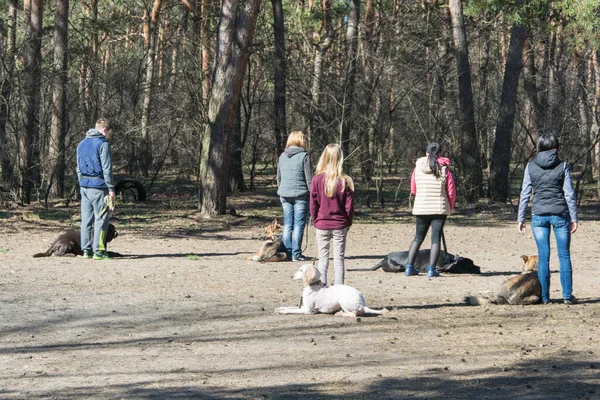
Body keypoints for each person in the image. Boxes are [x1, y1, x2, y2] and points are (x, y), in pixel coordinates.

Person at [518, 133, 578, 305]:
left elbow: (525, 193)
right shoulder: (563, 165)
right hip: (560, 214)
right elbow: (569, 194)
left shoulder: (530, 166)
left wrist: (520, 218)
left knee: (543, 257)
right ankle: (567, 295)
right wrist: (574, 217)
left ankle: (545, 297)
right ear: (556, 147)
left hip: (539, 215)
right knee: (564, 255)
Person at [405, 142, 456, 278]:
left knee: (418, 238)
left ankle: (409, 267)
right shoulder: (445, 169)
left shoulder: (418, 168)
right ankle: (431, 269)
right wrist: (450, 207)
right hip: (439, 208)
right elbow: (451, 191)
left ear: (426, 153)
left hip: (421, 207)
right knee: (435, 240)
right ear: (440, 153)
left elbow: (413, 189)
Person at [310, 143, 355, 286]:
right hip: (340, 224)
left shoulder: (317, 179)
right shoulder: (345, 181)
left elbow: (313, 205)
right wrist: (348, 222)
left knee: (323, 259)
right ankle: (339, 290)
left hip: (322, 224)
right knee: (339, 259)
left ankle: (322, 289)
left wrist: (315, 221)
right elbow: (349, 207)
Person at [77, 118, 116, 260]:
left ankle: (86, 250)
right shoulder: (103, 144)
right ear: (105, 130)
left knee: (86, 220)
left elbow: (78, 168)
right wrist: (111, 189)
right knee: (101, 219)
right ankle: (99, 250)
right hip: (99, 187)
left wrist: (82, 182)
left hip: (85, 186)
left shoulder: (81, 144)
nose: (108, 137)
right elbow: (107, 168)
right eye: (109, 134)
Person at [277, 131, 313, 261]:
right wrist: (313, 194)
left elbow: (278, 177)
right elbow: (309, 179)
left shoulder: (282, 156)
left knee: (288, 224)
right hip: (300, 195)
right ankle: (296, 254)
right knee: (298, 225)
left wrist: (280, 190)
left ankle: (287, 253)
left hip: (284, 194)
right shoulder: (304, 156)